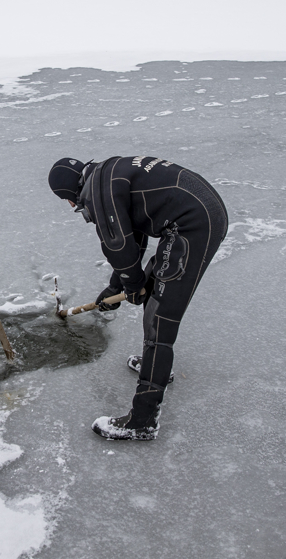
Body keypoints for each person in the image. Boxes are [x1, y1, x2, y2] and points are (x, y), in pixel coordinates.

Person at [48, 155, 228, 440]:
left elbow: (117, 244)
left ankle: (143, 420)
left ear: (70, 192)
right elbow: (134, 235)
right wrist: (116, 287)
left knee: (160, 318)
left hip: (193, 225)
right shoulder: (106, 174)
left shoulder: (98, 192)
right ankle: (155, 367)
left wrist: (132, 285)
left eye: (67, 200)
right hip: (199, 212)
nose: (72, 205)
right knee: (155, 289)